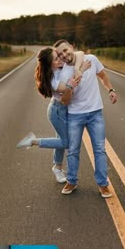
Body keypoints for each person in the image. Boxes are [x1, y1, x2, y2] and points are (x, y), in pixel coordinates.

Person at [54, 39, 118, 198]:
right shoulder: (64, 73)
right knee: (73, 150)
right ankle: (72, 181)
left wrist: (110, 89)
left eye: (65, 50)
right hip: (75, 115)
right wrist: (71, 86)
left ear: (71, 47)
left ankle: (103, 185)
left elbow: (102, 76)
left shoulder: (92, 59)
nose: (64, 55)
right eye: (60, 54)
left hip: (96, 113)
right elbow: (65, 100)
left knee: (100, 150)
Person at [17, 47, 91, 183]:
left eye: (58, 56)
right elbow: (67, 87)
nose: (60, 59)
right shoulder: (52, 79)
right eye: (56, 59)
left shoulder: (61, 68)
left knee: (61, 140)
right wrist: (82, 69)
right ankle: (33, 141)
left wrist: (76, 68)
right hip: (57, 111)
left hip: (64, 109)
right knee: (66, 142)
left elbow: (80, 53)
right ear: (49, 64)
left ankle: (57, 168)